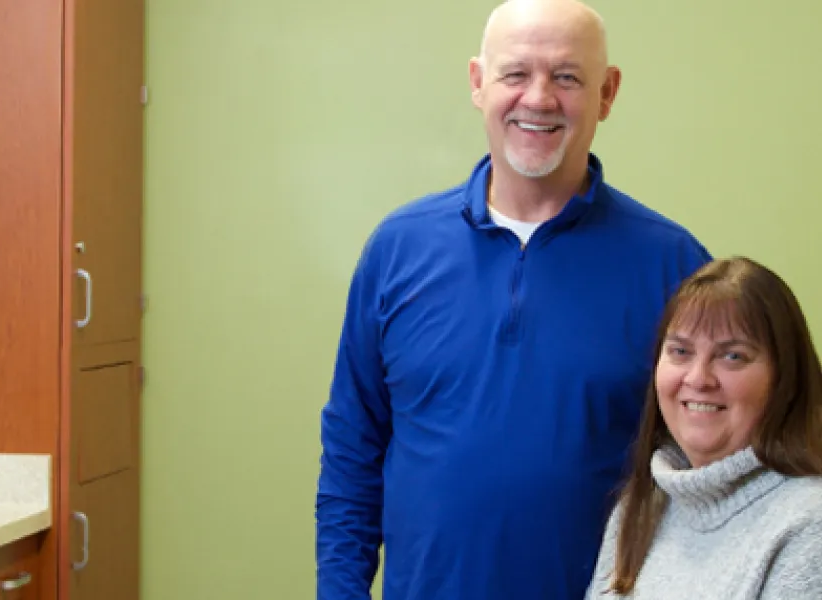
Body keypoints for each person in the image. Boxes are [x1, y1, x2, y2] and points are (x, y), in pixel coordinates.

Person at [315, 0, 712, 598]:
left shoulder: (674, 266)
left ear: (607, 93)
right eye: (516, 74)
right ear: (479, 83)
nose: (539, 98)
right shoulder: (397, 250)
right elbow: (353, 449)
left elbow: (718, 468)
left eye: (568, 77)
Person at [586, 257, 822, 599]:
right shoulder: (640, 511)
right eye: (680, 351)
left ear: (785, 379)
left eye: (732, 357)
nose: (698, 378)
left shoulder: (808, 524)